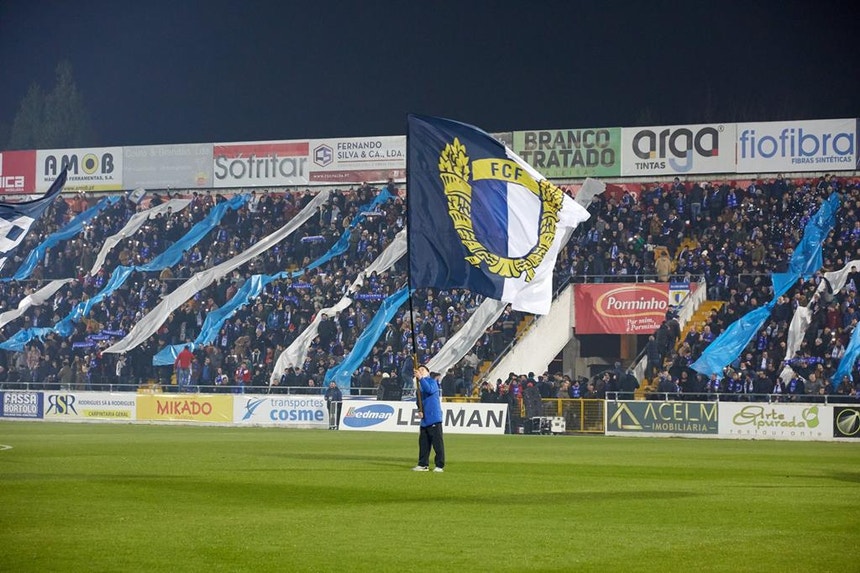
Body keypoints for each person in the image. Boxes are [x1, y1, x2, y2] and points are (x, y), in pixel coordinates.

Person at [412, 365, 445, 472]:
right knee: (423, 443)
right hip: (425, 419)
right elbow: (419, 399)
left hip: (434, 417)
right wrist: (419, 410)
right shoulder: (419, 385)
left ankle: (439, 465)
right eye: (419, 370)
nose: (420, 371)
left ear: (427, 372)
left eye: (422, 370)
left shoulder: (431, 382)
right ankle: (423, 464)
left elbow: (429, 390)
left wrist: (420, 378)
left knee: (437, 443)